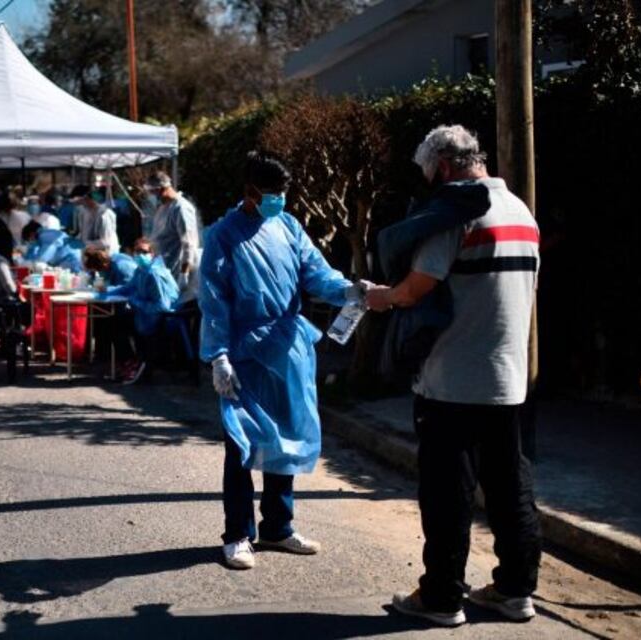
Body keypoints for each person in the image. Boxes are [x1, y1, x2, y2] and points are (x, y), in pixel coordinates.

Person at [364, 125, 542, 627]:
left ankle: (442, 598)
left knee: (448, 495)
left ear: (443, 167)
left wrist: (382, 297)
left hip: (452, 382)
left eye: (428, 174)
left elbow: (415, 289)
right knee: (511, 489)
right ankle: (515, 591)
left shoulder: (456, 214)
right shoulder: (521, 212)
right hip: (509, 381)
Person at [198, 152, 362, 570]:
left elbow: (316, 273)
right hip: (244, 352)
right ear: (249, 191)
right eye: (271, 193)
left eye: (283, 192)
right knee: (242, 443)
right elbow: (214, 298)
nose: (279, 200)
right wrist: (218, 354)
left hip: (287, 346)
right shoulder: (223, 235)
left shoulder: (288, 226)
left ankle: (277, 526)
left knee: (285, 438)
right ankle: (238, 534)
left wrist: (349, 290)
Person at [104, 237, 179, 384]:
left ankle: (136, 364)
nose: (140, 255)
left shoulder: (154, 274)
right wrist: (107, 291)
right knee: (113, 322)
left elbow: (162, 306)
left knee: (118, 325)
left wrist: (136, 302)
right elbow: (129, 288)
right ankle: (131, 362)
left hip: (159, 318)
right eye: (137, 252)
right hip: (144, 313)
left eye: (144, 252)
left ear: (152, 253)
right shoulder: (141, 270)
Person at [145, 171, 202, 302]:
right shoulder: (163, 208)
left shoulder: (181, 208)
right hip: (164, 268)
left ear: (161, 189)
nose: (152, 196)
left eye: (153, 192)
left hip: (177, 269)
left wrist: (184, 273)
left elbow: (189, 244)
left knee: (177, 308)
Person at [78, 187, 119, 255]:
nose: (84, 202)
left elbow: (106, 241)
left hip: (107, 253)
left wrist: (85, 244)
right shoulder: (86, 212)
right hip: (92, 252)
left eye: (86, 199)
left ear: (92, 200)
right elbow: (84, 233)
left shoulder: (105, 214)